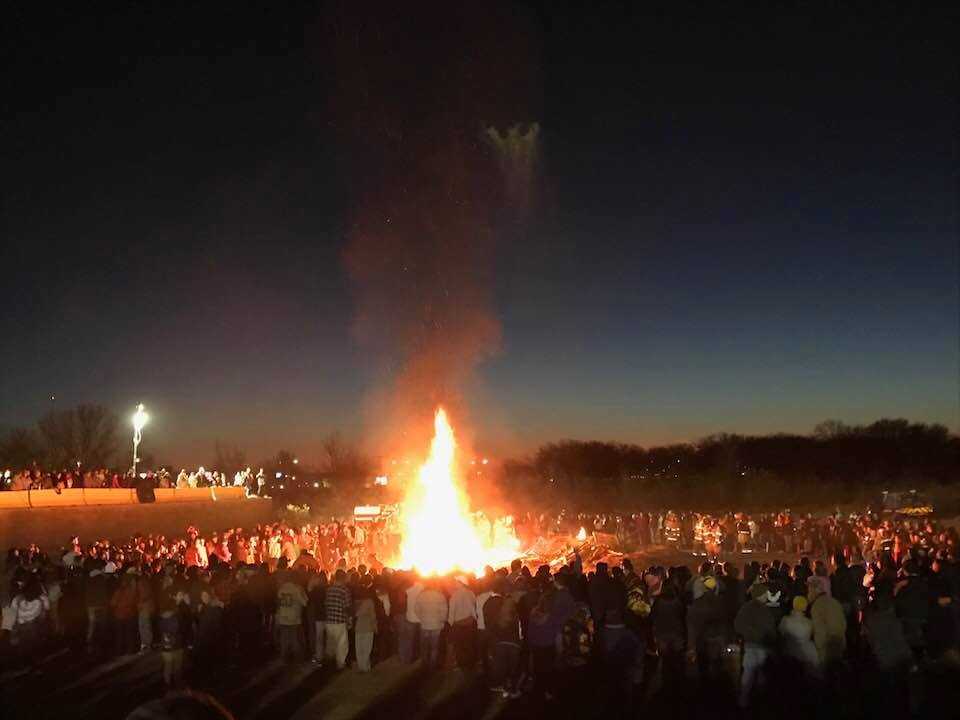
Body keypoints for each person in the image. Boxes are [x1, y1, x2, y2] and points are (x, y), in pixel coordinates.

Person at [734, 583, 778, 707]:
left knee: (748, 675)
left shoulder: (745, 608)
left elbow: (738, 625)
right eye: (766, 593)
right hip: (762, 646)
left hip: (750, 646)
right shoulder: (765, 610)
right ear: (761, 594)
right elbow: (770, 629)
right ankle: (760, 702)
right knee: (761, 675)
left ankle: (744, 701)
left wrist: (748, 635)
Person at [808, 575, 846, 668]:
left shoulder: (817, 606)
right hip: (839, 646)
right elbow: (843, 624)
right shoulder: (834, 602)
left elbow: (819, 631)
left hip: (826, 651)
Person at [779, 595, 819, 675]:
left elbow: (781, 634)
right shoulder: (809, 622)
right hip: (807, 653)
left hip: (789, 652)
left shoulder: (785, 620)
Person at [415, 577, 449, 670]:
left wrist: (421, 618)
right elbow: (444, 611)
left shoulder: (421, 596)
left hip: (424, 625)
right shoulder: (440, 596)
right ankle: (432, 665)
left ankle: (424, 663)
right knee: (434, 647)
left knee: (424, 645)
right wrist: (442, 622)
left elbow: (416, 609)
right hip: (436, 625)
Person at [276, 571, 308, 662]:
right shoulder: (297, 589)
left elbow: (278, 601)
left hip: (283, 617)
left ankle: (284, 658)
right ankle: (297, 660)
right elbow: (305, 603)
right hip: (294, 618)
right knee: (295, 640)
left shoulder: (282, 588)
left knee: (284, 640)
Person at [447, 575, 478, 670]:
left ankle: (462, 665)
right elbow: (473, 607)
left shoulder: (455, 595)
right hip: (469, 624)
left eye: (456, 582)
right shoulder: (471, 593)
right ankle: (470, 664)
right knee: (469, 645)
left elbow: (452, 611)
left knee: (459, 646)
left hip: (458, 625)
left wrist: (450, 623)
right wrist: (474, 619)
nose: (454, 583)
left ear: (461, 583)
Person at [324, 570, 351, 670]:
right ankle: (340, 664)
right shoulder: (344, 590)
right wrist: (349, 620)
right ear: (343, 578)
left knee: (331, 642)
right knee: (341, 644)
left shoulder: (329, 589)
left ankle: (329, 663)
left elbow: (326, 604)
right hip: (340, 621)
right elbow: (347, 607)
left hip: (329, 620)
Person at [353, 576, 378, 672]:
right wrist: (375, 626)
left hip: (358, 627)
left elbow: (354, 614)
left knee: (359, 648)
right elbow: (373, 616)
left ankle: (361, 666)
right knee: (367, 648)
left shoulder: (356, 602)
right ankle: (365, 667)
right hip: (368, 627)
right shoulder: (369, 602)